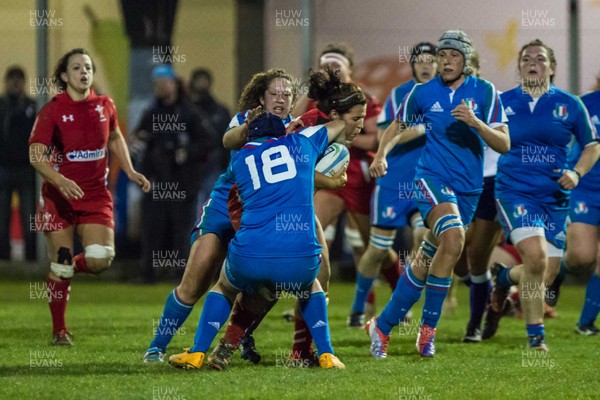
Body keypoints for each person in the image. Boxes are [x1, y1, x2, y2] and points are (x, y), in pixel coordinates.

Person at [168, 112, 354, 370]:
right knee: (311, 286)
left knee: (224, 287)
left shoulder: (240, 161)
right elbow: (338, 126)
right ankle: (326, 354)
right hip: (299, 257)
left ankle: (197, 352)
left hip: (252, 255)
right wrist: (333, 175)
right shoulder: (300, 144)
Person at [208, 69, 366, 369]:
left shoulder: (309, 127)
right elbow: (275, 163)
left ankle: (299, 351)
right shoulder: (281, 124)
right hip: (251, 206)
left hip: (288, 210)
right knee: (272, 282)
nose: (360, 125)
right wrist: (329, 182)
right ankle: (233, 343)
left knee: (318, 271)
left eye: (287, 94)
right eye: (356, 118)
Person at [366, 29, 510, 358]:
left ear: (466, 61)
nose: (445, 61)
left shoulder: (485, 92)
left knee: (424, 260)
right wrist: (381, 154)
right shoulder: (422, 92)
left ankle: (383, 325)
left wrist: (477, 124)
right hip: (431, 179)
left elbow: (504, 143)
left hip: (469, 189)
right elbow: (397, 125)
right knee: (455, 239)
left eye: (453, 56)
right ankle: (428, 333)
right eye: (442, 55)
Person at [143, 68, 297, 363]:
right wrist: (248, 128)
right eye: (274, 94)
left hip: (263, 213)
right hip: (227, 205)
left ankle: (237, 337)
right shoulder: (245, 119)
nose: (280, 99)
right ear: (261, 98)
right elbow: (227, 140)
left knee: (269, 284)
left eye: (286, 94)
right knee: (197, 275)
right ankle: (157, 345)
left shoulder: (298, 130)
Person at [28, 48, 151, 345]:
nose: (84, 72)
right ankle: (60, 330)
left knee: (101, 259)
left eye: (88, 67)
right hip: (58, 197)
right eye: (76, 68)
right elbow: (35, 155)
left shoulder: (105, 105)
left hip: (95, 196)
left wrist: (131, 171)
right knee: (59, 263)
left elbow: (114, 137)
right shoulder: (53, 110)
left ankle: (68, 269)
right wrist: (59, 180)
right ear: (64, 76)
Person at [485, 39, 599, 350]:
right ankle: (536, 339)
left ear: (552, 68)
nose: (533, 62)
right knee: (535, 258)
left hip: (555, 196)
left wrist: (576, 172)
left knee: (545, 273)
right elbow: (484, 140)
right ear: (520, 67)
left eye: (540, 59)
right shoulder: (502, 102)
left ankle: (503, 278)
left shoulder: (570, 104)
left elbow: (592, 145)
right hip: (515, 190)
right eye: (526, 59)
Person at [348, 42, 437, 327]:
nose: (425, 65)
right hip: (395, 180)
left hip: (426, 182)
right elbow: (385, 133)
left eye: (430, 61)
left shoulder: (446, 96)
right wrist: (423, 127)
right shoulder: (400, 94)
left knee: (423, 238)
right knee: (376, 250)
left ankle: (402, 303)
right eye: (420, 61)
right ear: (412, 65)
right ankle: (358, 308)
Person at [131, 65, 213, 284]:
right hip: (157, 181)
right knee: (151, 228)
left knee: (182, 229)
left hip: (182, 181)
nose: (159, 88)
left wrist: (187, 153)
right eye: (156, 84)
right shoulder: (151, 113)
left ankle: (183, 275)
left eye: (163, 83)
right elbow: (139, 138)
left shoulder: (189, 112)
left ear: (173, 84)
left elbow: (208, 141)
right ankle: (148, 273)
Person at [445, 50, 505, 343]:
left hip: (491, 182)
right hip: (458, 181)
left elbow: (505, 143)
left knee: (477, 257)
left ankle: (474, 325)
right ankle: (492, 294)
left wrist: (476, 122)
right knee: (455, 253)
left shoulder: (494, 98)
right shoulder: (444, 100)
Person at [0, 66, 37, 261]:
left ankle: (31, 258)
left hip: (26, 170)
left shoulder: (33, 107)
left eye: (19, 78)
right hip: (4, 169)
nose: (15, 82)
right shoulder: (1, 106)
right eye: (11, 78)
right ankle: (3, 260)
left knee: (29, 217)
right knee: (2, 218)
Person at [188, 68, 231, 198]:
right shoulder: (186, 111)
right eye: (198, 81)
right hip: (192, 167)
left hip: (214, 165)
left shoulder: (220, 111)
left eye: (204, 80)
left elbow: (228, 139)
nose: (201, 84)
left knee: (213, 206)